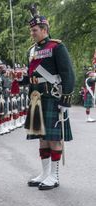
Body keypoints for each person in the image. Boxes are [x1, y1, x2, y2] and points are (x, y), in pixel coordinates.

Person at [24, 8, 75, 190]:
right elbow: (31, 76)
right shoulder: (31, 51)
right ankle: (44, 173)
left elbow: (68, 74)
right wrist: (19, 80)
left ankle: (54, 175)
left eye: (35, 30)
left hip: (53, 98)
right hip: (37, 99)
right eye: (31, 30)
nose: (32, 33)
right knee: (42, 138)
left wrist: (65, 100)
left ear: (44, 29)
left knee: (54, 139)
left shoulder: (56, 47)